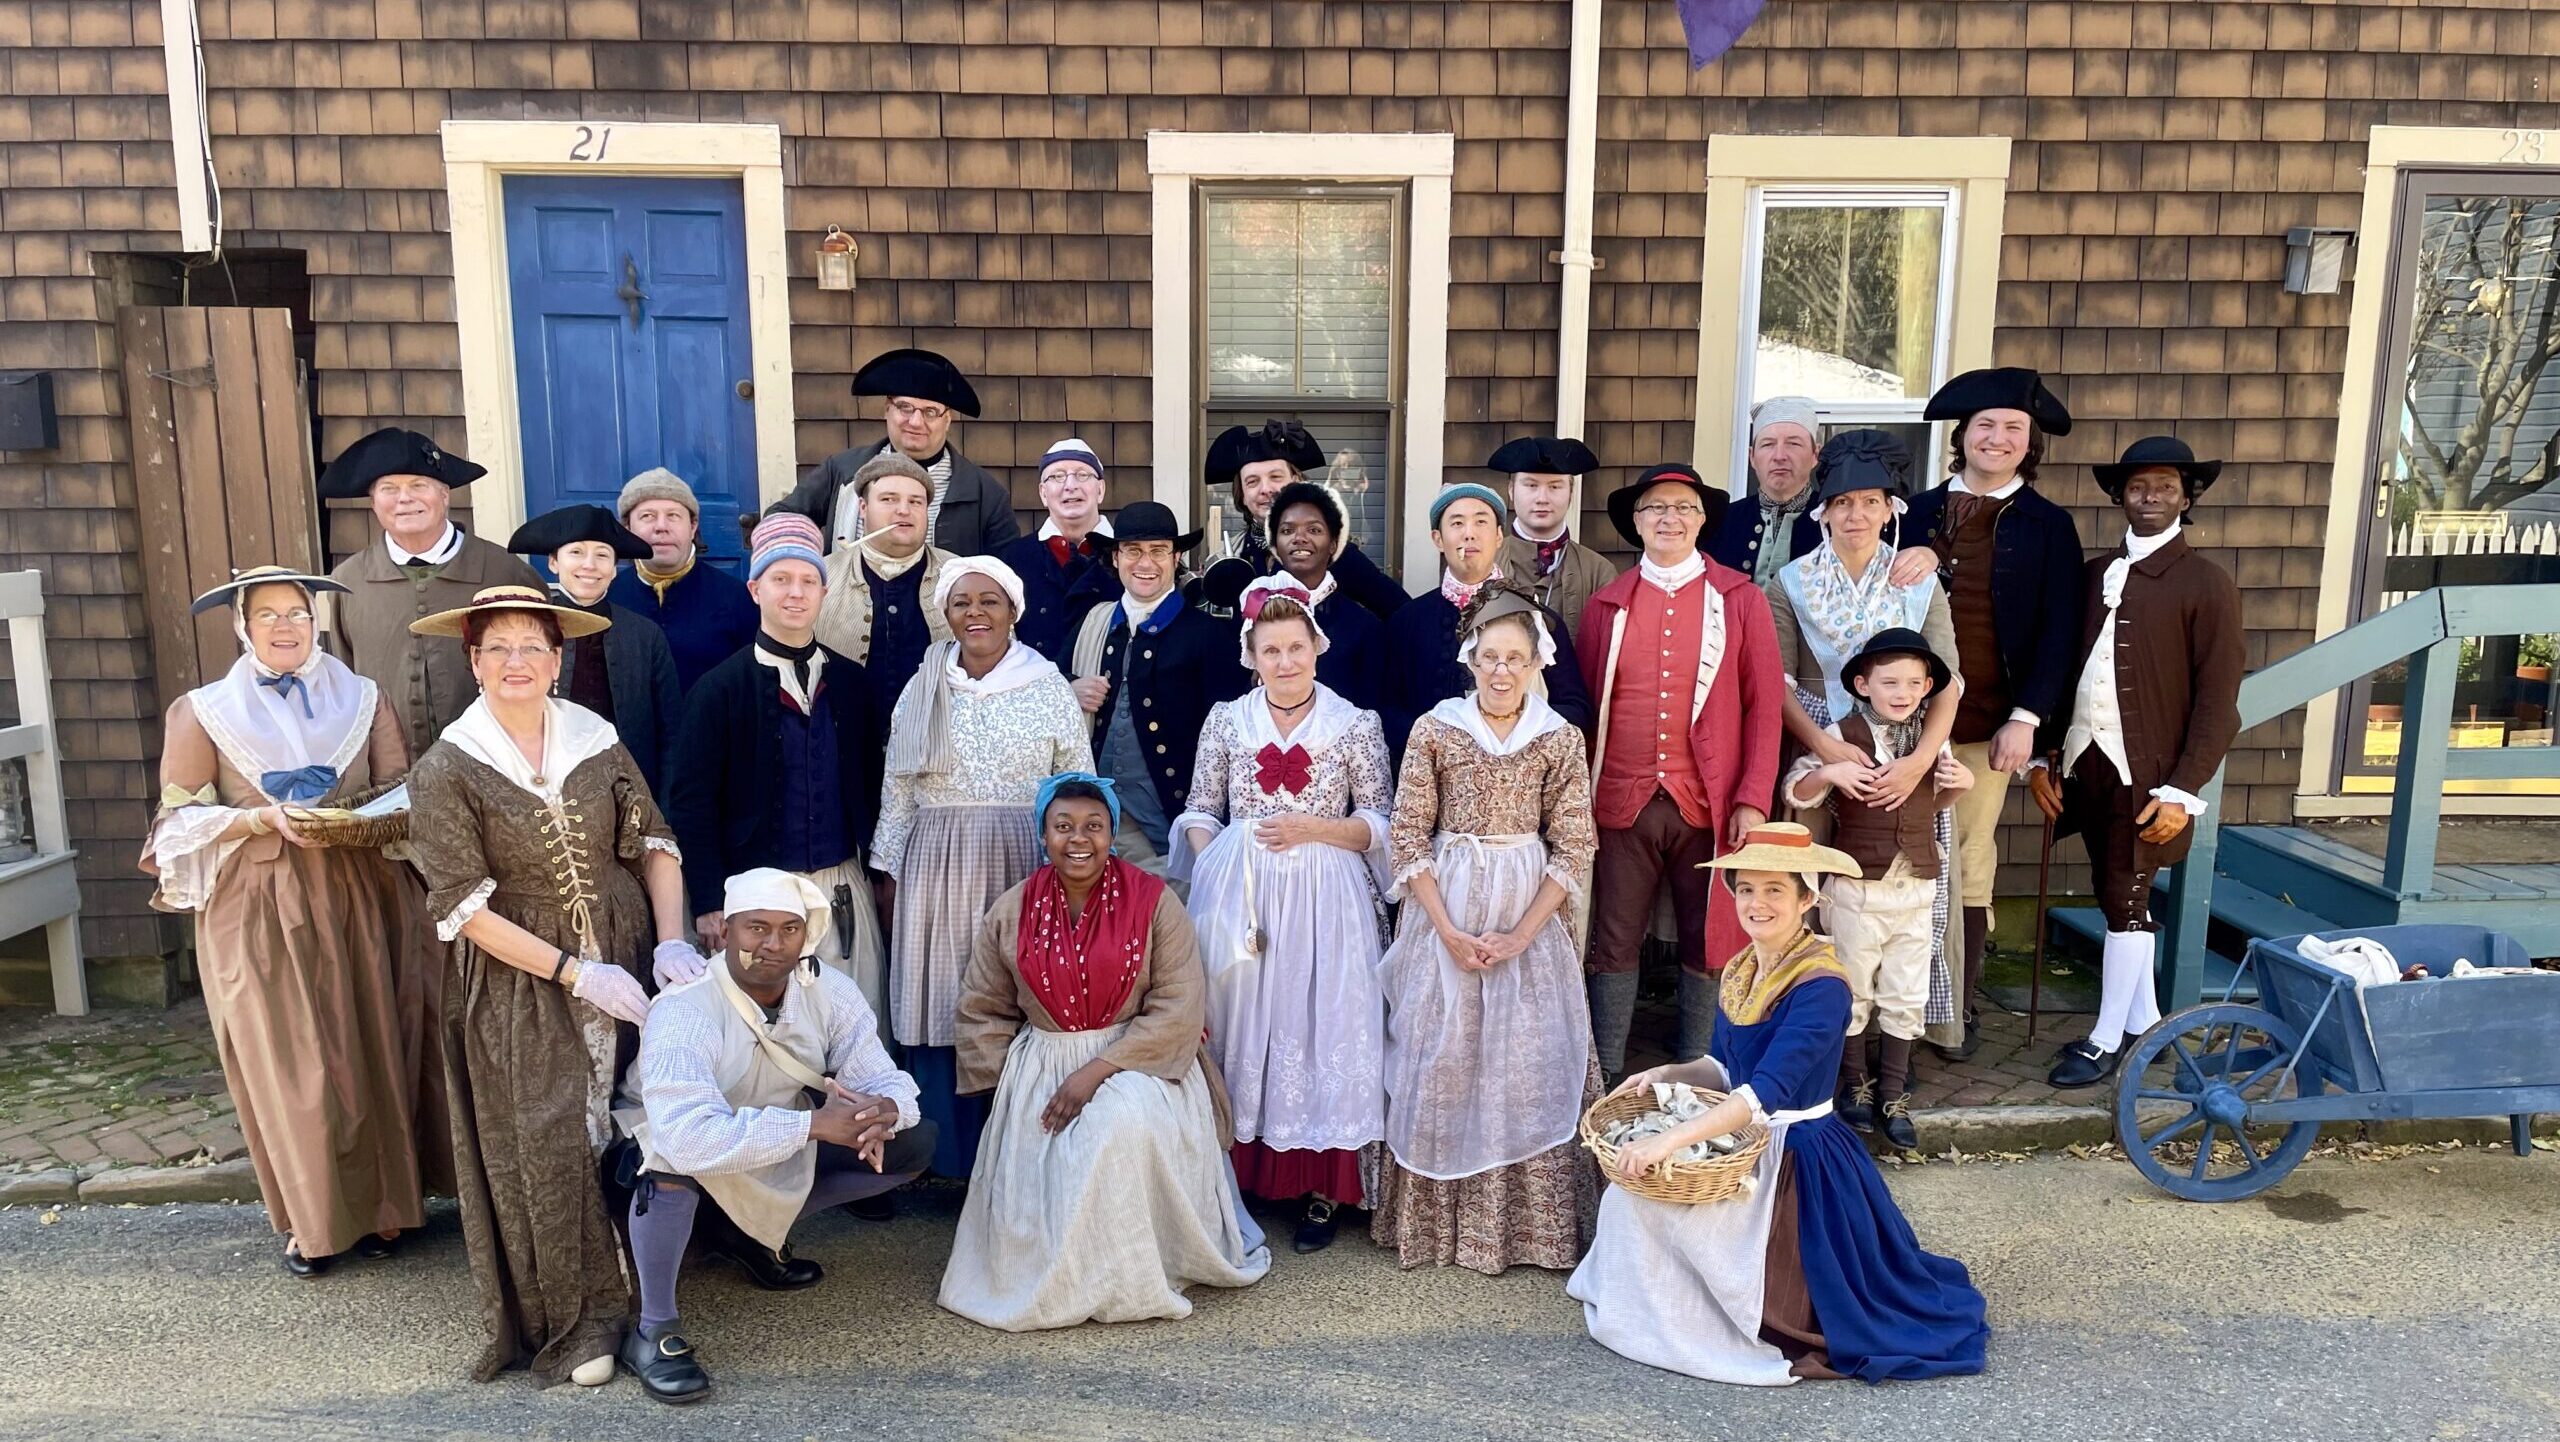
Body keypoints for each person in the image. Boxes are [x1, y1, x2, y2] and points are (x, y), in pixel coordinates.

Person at [1567, 823, 1989, 1386]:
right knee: (1633, 1197)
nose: (1756, 903)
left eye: (1774, 891)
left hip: (1797, 1160)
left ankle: (1718, 1312)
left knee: (1722, 1243)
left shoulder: (1821, 985)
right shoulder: (1745, 966)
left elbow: (1763, 1093)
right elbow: (1724, 1068)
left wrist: (1669, 1139)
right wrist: (1666, 1072)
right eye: (1746, 889)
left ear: (1807, 899)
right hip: (1742, 1133)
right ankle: (1664, 1302)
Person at [402, 585, 695, 1387]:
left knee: (634, 1117)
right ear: (473, 662)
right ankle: (579, 1317)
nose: (516, 662)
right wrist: (574, 971)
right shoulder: (449, 767)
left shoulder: (596, 739)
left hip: (628, 947)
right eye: (497, 648)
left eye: (533, 645)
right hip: (518, 980)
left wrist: (671, 943)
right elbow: (463, 908)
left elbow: (653, 841)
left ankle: (652, 1296)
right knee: (549, 1134)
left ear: (559, 657)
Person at [139, 566, 449, 1277]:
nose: (285, 626)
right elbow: (177, 820)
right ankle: (312, 1222)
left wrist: (349, 821)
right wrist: (258, 817)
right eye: (268, 614)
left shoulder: (363, 700)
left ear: (318, 623)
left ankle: (388, 1210)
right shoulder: (203, 710)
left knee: (372, 1043)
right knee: (292, 1059)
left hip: (359, 893)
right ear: (243, 626)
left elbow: (403, 791)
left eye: (298, 614)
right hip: (259, 900)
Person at [940, 775, 1272, 1330]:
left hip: (1141, 1059)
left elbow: (1179, 1005)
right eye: (1063, 825)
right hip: (1043, 1059)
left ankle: (1128, 1274)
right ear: (1042, 835)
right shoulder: (1013, 907)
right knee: (1056, 1143)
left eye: (1094, 826)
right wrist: (1008, 1095)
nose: (1078, 838)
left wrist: (1097, 1069)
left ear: (1112, 833)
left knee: (1118, 1124)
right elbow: (982, 1004)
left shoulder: (1154, 900)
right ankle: (1060, 1275)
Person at [613, 869, 934, 1404]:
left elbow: (883, 1077)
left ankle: (752, 1236)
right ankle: (653, 1331)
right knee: (669, 1162)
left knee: (912, 1141)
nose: (773, 944)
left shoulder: (828, 989)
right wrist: (813, 1125)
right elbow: (688, 1137)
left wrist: (885, 1108)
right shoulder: (686, 1005)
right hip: (667, 1154)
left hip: (766, 1138)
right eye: (756, 928)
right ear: (726, 930)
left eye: (789, 929)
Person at [1371, 588, 1600, 1274]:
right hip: (1448, 903)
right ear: (1471, 660)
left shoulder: (1560, 738)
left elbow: (1575, 845)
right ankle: (1438, 1229)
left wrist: (1523, 935)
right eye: (1490, 657)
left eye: (1516, 659)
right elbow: (1409, 834)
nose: (1502, 672)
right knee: (1441, 1056)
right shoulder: (1436, 729)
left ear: (1537, 665)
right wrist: (1444, 929)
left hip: (1526, 909)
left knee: (1526, 1059)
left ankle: (1527, 1232)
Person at [1168, 577, 1393, 1254]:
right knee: (1243, 1024)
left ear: (1317, 649)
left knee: (1321, 1023)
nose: (1286, 661)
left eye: (1297, 647)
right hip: (1244, 895)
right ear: (1253, 655)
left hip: (1329, 898)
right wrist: (1219, 871)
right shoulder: (1227, 721)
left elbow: (1380, 821)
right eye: (1272, 650)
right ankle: (1238, 1177)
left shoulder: (1355, 724)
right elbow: (1202, 810)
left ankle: (1322, 1189)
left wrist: (1313, 830)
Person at [2034, 436, 2245, 1088]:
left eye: (2164, 486)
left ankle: (2103, 1041)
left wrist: (2183, 789)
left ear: (2187, 496)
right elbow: (2060, 669)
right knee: (2113, 890)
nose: (2150, 497)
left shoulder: (2206, 583)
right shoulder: (2093, 574)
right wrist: (2044, 758)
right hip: (2084, 761)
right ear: (2119, 496)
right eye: (2137, 487)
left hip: (2149, 774)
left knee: (2126, 898)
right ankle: (2149, 1028)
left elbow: (2218, 701)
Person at [876, 555, 1093, 1178]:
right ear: (945, 615)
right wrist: (887, 869)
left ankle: (1020, 1149)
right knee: (945, 997)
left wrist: (1074, 868)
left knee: (1017, 995)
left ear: (1013, 611)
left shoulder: (1046, 683)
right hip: (937, 864)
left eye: (989, 601)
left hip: (1021, 859)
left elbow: (1075, 780)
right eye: (961, 603)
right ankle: (949, 1159)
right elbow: (898, 786)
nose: (975, 613)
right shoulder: (922, 687)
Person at [1894, 367, 2085, 1056]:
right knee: (1895, 861)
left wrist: (2029, 719)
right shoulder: (1911, 513)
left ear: (2028, 443)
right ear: (1963, 435)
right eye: (1985, 425)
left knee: (1968, 863)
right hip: (1899, 723)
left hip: (1987, 728)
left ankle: (1955, 1005)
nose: (1996, 438)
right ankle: (1894, 1005)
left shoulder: (2047, 526)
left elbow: (2061, 630)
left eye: (2012, 429)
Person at [1577, 462, 1785, 1081]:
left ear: (1702, 521)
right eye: (1656, 509)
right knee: (1613, 936)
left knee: (1710, 935)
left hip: (1708, 801)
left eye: (1683, 508)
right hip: (1620, 800)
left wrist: (1752, 796)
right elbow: (1586, 709)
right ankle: (1608, 1070)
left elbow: (1764, 707)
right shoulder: (1607, 605)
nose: (1670, 518)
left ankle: (1699, 1065)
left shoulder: (1740, 600)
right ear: (1637, 523)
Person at [663, 513, 888, 1026]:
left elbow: (872, 788)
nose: (795, 592)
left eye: (809, 580)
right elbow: (691, 804)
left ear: (824, 591)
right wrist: (708, 899)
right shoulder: (719, 690)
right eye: (780, 579)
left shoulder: (851, 684)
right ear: (754, 588)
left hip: (839, 889)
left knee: (847, 1026)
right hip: (754, 895)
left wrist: (876, 877)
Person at [1781, 631, 1974, 1148]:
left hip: (1915, 883)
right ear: (1864, 686)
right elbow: (1796, 792)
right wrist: (1830, 770)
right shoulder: (1842, 733)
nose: (1903, 691)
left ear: (1929, 686)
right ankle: (1855, 1085)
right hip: (1856, 884)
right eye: (1890, 682)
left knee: (1905, 991)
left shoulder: (1930, 742)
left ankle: (1893, 1092)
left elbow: (1938, 802)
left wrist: (1960, 783)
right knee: (1855, 988)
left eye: (1914, 682)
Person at [318, 427, 541, 750]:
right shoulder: (348, 583)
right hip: (387, 776)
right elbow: (343, 682)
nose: (404, 499)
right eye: (389, 489)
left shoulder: (506, 572)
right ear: (373, 501)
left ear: (445, 495)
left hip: (495, 763)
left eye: (419, 486)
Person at [1062, 501, 1250, 868]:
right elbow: (1046, 688)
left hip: (1170, 826)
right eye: (1133, 550)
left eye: (1158, 551)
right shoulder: (1092, 625)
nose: (1145, 563)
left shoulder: (1207, 635)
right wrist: (1070, 688)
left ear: (1175, 556)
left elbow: (1233, 740)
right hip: (1094, 822)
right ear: (1115, 557)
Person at [1381, 484, 1594, 756]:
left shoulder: (1537, 619)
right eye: (1457, 523)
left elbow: (1575, 708)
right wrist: (1438, 745)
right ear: (1437, 538)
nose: (1469, 533)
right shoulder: (1407, 622)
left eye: (1481, 522)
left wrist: (1517, 740)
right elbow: (1387, 708)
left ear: (1498, 536)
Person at [506, 504, 684, 799]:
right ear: (553, 562)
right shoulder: (525, 633)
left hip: (627, 793)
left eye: (602, 555)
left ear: (614, 569)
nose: (589, 565)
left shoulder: (644, 635)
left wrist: (661, 807)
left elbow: (671, 732)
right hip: (544, 793)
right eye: (576, 552)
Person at [778, 347, 1021, 556]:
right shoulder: (843, 471)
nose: (915, 422)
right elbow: (781, 518)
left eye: (930, 412)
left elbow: (1006, 573)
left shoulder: (985, 493)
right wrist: (809, 565)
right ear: (887, 409)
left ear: (948, 420)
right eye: (905, 407)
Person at [1200, 420, 1407, 620]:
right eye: (1253, 482)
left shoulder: (1331, 551)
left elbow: (1401, 612)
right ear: (1242, 495)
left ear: (1296, 481)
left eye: (1275, 477)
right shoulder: (1233, 554)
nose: (1265, 489)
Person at [812, 451, 956, 706]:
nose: (904, 510)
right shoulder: (819, 578)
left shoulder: (962, 575)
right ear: (863, 508)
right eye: (889, 499)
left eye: (916, 502)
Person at [607, 468, 759, 694]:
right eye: (647, 516)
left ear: (692, 526)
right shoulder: (609, 598)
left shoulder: (736, 599)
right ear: (628, 528)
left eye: (673, 516)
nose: (661, 527)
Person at [1261, 480, 1389, 713]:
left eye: (1314, 530)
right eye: (1287, 530)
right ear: (1275, 545)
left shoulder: (1364, 628)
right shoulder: (1253, 613)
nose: (1299, 538)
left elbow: (1374, 711)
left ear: (1332, 544)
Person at [997, 437, 1121, 658]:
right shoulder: (1012, 559)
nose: (1070, 486)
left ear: (1100, 490)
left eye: (1082, 475)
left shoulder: (1130, 556)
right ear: (1043, 493)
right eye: (1057, 476)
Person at [1491, 435, 1616, 635]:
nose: (1542, 498)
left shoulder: (1599, 572)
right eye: (1531, 485)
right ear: (1512, 491)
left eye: (1555, 487)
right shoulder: (1485, 563)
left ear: (1571, 494)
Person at [1708, 396, 1828, 595]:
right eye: (1768, 444)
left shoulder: (1837, 519)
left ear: (1815, 454)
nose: (1779, 455)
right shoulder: (1721, 521)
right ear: (1752, 457)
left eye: (1793, 444)